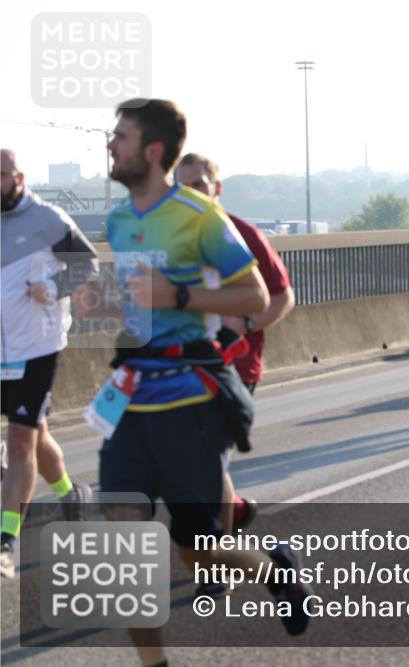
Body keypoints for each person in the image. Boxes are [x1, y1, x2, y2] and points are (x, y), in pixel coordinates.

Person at [92, 99, 313, 661]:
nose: (110, 143)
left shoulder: (201, 217)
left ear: (152, 150)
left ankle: (275, 573)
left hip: (189, 396)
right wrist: (102, 303)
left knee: (200, 546)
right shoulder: (118, 221)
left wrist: (179, 294)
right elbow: (139, 305)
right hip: (131, 395)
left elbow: (257, 296)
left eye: (120, 135)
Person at [174, 153, 297, 595]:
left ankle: (216, 566)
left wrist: (243, 324)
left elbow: (282, 298)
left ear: (217, 189)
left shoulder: (242, 234)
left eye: (199, 186)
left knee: (208, 461)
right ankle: (237, 510)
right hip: (183, 366)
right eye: (182, 187)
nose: (191, 194)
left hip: (235, 365)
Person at [0, 149, 98, 579]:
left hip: (36, 347)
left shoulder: (49, 220)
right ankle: (70, 493)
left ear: (19, 177)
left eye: (1, 175)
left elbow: (87, 267)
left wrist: (53, 286)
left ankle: (5, 540)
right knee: (35, 434)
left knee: (21, 438)